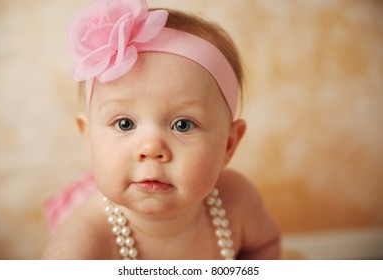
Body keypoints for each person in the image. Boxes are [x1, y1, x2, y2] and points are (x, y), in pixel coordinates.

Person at [42, 0, 280, 260]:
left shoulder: (237, 201)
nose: (151, 148)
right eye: (125, 124)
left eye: (183, 125)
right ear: (88, 137)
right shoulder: (80, 247)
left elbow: (264, 246)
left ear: (228, 145)